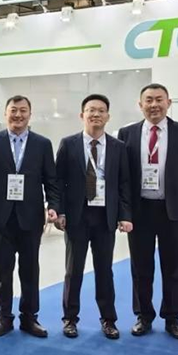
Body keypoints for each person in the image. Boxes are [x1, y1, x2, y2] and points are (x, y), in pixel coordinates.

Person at [118, 83, 178, 340]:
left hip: (172, 210)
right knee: (140, 268)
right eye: (149, 100)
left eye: (159, 99)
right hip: (140, 211)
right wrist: (123, 212)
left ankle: (172, 318)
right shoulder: (127, 133)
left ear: (169, 102)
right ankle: (143, 316)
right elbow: (122, 177)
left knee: (173, 267)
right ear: (140, 104)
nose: (154, 105)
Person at [0, 95, 60, 338]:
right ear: (5, 114)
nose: (18, 115)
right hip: (0, 217)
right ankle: (3, 317)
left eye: (23, 110)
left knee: (30, 270)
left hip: (31, 217)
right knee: (2, 271)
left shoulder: (42, 144)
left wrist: (53, 205)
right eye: (13, 110)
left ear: (30, 114)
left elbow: (51, 180)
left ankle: (29, 317)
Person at [55, 94, 133, 339]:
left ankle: (108, 319)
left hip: (105, 217)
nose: (96, 114)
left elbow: (124, 184)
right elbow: (58, 181)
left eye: (101, 110)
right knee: (73, 270)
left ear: (108, 116)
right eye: (91, 110)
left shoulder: (118, 147)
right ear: (82, 115)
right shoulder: (68, 144)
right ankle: (70, 319)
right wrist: (60, 211)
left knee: (104, 271)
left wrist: (125, 215)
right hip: (76, 217)